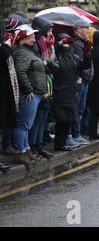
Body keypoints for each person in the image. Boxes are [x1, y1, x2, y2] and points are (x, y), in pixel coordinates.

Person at [12, 24, 49, 165]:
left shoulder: (28, 52)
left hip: (35, 94)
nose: (34, 39)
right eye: (31, 36)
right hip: (29, 95)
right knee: (23, 125)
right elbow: (20, 72)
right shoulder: (22, 53)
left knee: (26, 125)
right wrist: (28, 90)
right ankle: (20, 152)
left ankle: (26, 150)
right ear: (23, 37)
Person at [49, 34, 90, 151]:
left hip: (71, 92)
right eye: (64, 42)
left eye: (68, 42)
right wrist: (58, 45)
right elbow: (51, 64)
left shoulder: (75, 57)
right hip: (60, 92)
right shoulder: (57, 57)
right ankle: (59, 144)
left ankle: (63, 143)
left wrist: (87, 53)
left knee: (68, 120)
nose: (67, 44)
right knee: (61, 120)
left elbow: (85, 65)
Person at [28, 16, 56, 159]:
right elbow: (38, 65)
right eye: (49, 30)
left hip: (46, 84)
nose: (51, 33)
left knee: (43, 119)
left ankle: (38, 145)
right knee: (36, 119)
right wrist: (46, 62)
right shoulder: (35, 45)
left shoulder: (46, 45)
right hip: (39, 86)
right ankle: (32, 145)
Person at [68, 20, 93, 146]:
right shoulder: (77, 44)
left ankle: (76, 134)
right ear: (77, 29)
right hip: (80, 80)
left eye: (88, 28)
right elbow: (79, 63)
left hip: (85, 80)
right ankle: (75, 135)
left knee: (80, 109)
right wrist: (80, 76)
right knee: (77, 109)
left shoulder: (83, 43)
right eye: (85, 28)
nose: (87, 30)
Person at [1, 18, 23, 159]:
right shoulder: (6, 42)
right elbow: (4, 53)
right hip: (3, 84)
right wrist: (8, 45)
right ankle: (6, 145)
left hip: (8, 84)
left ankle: (7, 144)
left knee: (9, 115)